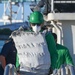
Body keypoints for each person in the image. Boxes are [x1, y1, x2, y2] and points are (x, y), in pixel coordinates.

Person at [10, 11, 57, 75]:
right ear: (30, 24)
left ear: (42, 24)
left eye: (38, 24)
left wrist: (52, 67)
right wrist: (52, 67)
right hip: (35, 71)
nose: (36, 26)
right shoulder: (47, 36)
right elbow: (20, 52)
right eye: (34, 24)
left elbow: (53, 53)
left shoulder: (47, 36)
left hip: (32, 71)